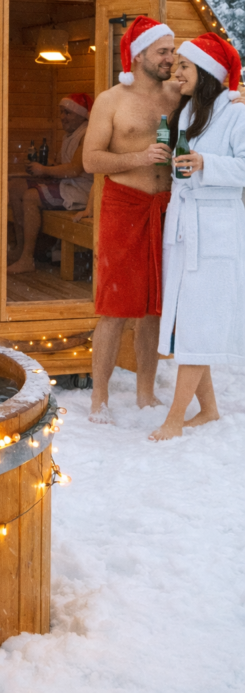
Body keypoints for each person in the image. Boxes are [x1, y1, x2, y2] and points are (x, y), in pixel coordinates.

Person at [83, 15, 179, 422]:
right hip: (124, 205)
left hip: (167, 206)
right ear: (139, 55)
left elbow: (217, 96)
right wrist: (139, 157)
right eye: (163, 51)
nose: (170, 58)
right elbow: (90, 160)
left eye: (173, 51)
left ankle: (145, 392)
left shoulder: (177, 94)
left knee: (155, 307)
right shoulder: (111, 100)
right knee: (116, 306)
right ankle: (99, 398)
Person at [150, 34, 245, 441]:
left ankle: (175, 419)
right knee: (189, 321)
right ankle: (207, 410)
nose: (177, 71)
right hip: (185, 223)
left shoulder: (237, 114)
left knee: (198, 321)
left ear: (206, 72)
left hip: (216, 228)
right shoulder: (190, 112)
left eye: (185, 66)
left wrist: (207, 162)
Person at [8, 93, 93, 274]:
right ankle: (20, 248)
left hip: (81, 191)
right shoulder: (69, 135)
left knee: (31, 196)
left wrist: (44, 170)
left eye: (67, 113)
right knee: (15, 187)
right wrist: (47, 166)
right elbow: (64, 165)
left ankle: (27, 258)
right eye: (61, 112)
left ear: (81, 115)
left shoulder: (86, 135)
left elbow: (75, 170)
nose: (62, 117)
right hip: (67, 185)